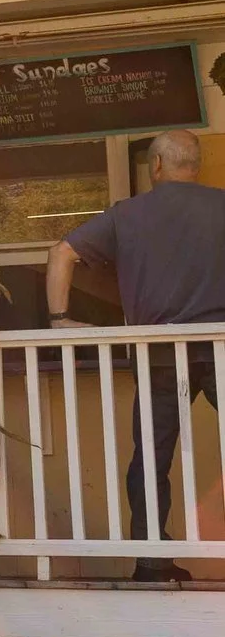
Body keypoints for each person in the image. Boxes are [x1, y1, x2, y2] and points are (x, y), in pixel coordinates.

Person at [45, 129, 225, 582]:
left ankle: (151, 562)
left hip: (160, 354)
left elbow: (61, 253)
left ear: (157, 166)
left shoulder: (127, 215)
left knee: (151, 459)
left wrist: (60, 319)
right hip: (222, 349)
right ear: (195, 166)